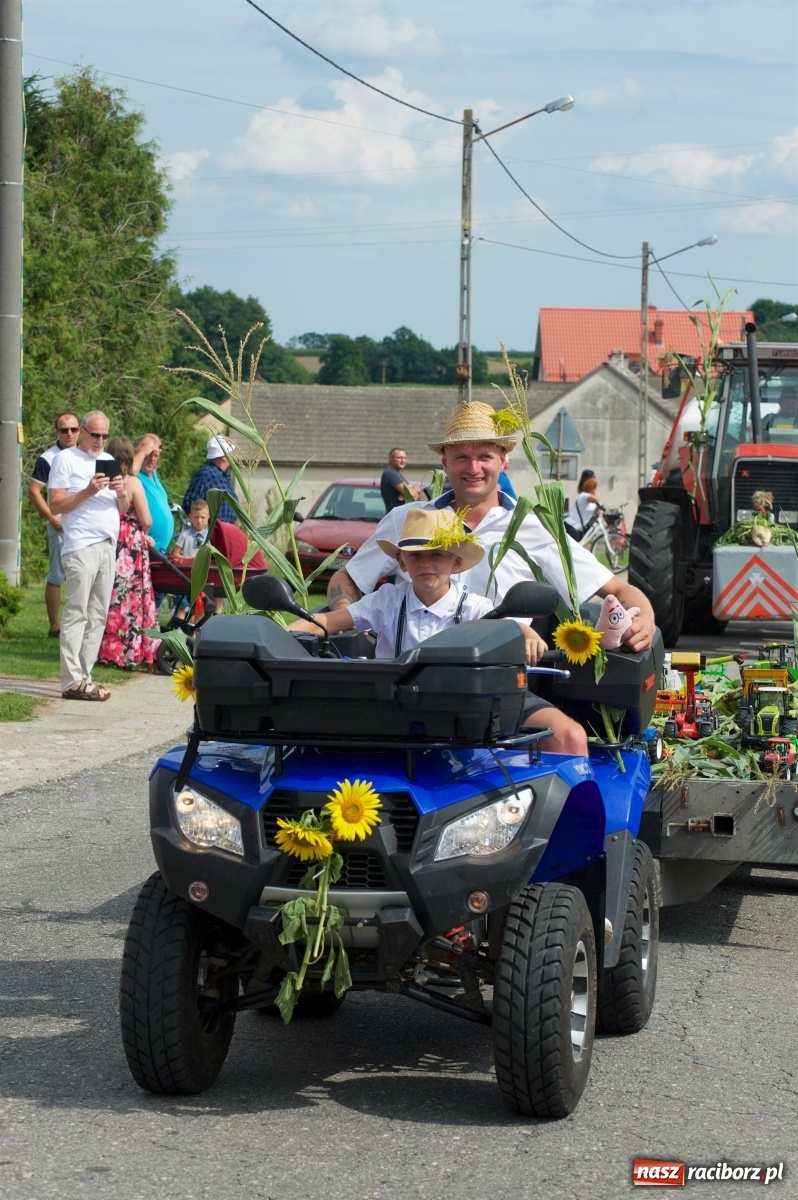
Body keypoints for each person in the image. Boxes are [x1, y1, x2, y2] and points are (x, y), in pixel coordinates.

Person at [327, 399, 655, 755]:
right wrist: (348, 614)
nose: (474, 468)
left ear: (503, 460)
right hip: (410, 682)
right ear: (444, 461)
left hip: (496, 684)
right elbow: (346, 579)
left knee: (570, 739)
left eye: (484, 456)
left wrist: (645, 620)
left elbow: (618, 589)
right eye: (461, 457)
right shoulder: (410, 519)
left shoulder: (534, 527)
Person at [294, 507, 535, 661]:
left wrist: (528, 634)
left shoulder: (473, 608)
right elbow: (325, 621)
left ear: (457, 564)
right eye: (415, 555)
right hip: (392, 711)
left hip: (451, 713)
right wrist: (280, 635)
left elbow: (509, 627)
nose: (425, 564)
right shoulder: (386, 601)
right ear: (401, 562)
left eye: (437, 555)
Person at [47, 411, 127, 700]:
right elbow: (55, 503)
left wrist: (121, 492)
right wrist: (88, 491)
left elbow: (124, 508)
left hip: (108, 544)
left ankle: (84, 676)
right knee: (77, 612)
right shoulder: (65, 459)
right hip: (81, 544)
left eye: (105, 435)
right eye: (95, 435)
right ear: (81, 432)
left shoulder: (108, 461)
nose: (100, 440)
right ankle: (71, 681)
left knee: (97, 615)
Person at [96, 438, 160, 670]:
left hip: (109, 537)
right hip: (131, 544)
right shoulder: (131, 482)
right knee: (132, 597)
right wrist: (145, 531)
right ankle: (131, 650)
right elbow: (147, 520)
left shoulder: (100, 481)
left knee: (111, 595)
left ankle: (103, 648)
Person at [27, 412, 81, 638]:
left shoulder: (86, 454)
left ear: (80, 431)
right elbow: (33, 491)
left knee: (82, 575)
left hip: (82, 525)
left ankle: (78, 626)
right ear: (56, 432)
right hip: (59, 524)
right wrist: (52, 517)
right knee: (57, 575)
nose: (69, 434)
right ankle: (55, 627)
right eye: (64, 430)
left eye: (74, 429)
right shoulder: (48, 458)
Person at [132, 434, 173, 554]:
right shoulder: (135, 475)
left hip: (159, 552)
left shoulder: (152, 474)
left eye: (155, 455)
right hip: (145, 549)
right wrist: (142, 452)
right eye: (148, 454)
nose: (152, 459)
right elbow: (129, 472)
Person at [183, 435, 239, 525]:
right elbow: (189, 502)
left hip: (225, 531)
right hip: (212, 533)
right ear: (223, 457)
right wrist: (203, 524)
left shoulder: (223, 476)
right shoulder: (206, 475)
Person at [172, 500, 210, 622]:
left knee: (200, 609)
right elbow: (175, 554)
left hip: (202, 578)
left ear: (208, 517)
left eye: (203, 517)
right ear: (190, 517)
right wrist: (190, 560)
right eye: (196, 517)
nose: (199, 521)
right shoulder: (185, 535)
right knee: (182, 607)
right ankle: (178, 633)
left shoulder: (210, 536)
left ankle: (196, 636)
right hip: (185, 577)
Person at [380, 447, 422, 513]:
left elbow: (411, 493)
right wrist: (416, 490)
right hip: (395, 518)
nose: (403, 461)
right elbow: (411, 495)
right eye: (399, 458)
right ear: (390, 458)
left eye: (404, 458)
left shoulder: (397, 474)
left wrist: (410, 492)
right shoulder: (390, 473)